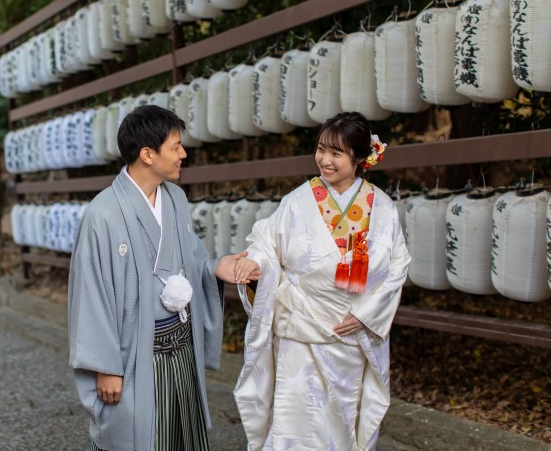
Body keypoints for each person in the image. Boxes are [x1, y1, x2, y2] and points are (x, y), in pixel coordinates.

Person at [68, 104, 256, 451]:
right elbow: (90, 295)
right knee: (139, 438)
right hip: (134, 354)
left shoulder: (175, 199)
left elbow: (189, 255)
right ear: (147, 154)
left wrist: (214, 268)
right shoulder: (103, 214)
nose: (183, 154)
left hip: (180, 346)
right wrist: (105, 366)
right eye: (176, 147)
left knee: (182, 436)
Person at [232, 112, 411, 451]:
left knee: (341, 421)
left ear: (360, 158)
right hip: (299, 324)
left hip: (351, 328)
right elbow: (268, 243)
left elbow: (397, 266)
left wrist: (367, 314)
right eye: (321, 150)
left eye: (336, 153)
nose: (325, 161)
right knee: (294, 417)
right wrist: (255, 262)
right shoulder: (297, 202)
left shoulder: (383, 208)